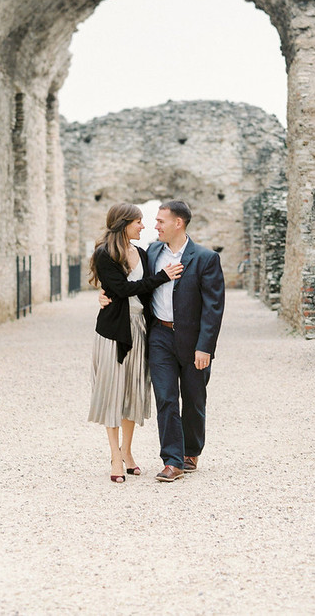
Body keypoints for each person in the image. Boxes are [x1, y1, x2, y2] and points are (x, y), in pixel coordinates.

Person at [101, 200, 225, 482]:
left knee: (194, 399)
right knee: (166, 397)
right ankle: (172, 460)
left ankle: (191, 451)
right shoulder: (152, 252)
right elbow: (127, 280)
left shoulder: (206, 259)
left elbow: (213, 309)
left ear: (177, 223)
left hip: (193, 340)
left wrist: (205, 346)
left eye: (160, 221)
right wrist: (105, 295)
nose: (154, 226)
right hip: (159, 335)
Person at [88, 203, 183, 484]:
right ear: (123, 223)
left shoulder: (141, 253)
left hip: (140, 329)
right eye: (139, 222)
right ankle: (115, 457)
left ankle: (127, 452)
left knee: (133, 390)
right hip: (113, 332)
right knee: (112, 391)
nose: (144, 226)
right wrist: (161, 276)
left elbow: (143, 295)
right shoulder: (105, 254)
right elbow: (122, 289)